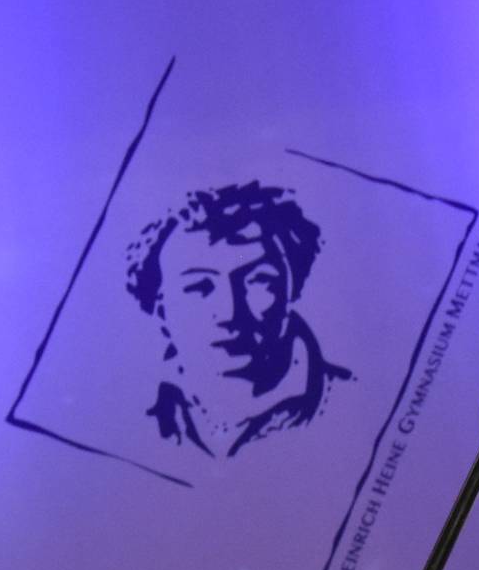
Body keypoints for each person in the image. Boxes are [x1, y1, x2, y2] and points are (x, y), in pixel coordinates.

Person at [123, 180, 351, 455]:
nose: (231, 314)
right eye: (199, 287)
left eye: (259, 281)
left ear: (292, 292)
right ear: (161, 312)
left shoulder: (354, 402)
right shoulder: (123, 418)